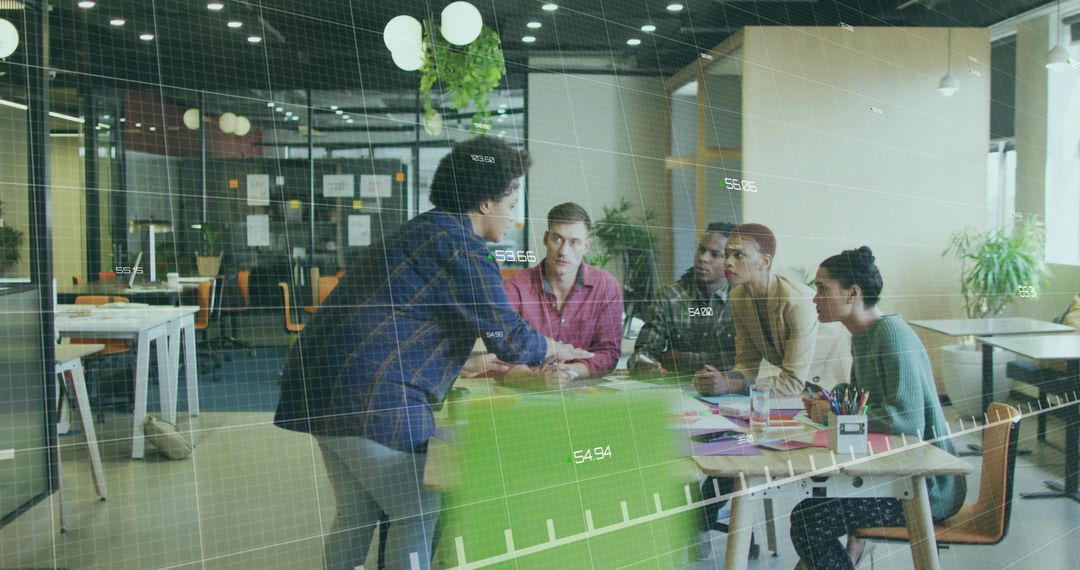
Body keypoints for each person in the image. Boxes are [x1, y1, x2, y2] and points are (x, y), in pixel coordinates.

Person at [273, 136, 594, 570]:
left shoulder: (425, 230)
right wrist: (562, 348)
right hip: (373, 398)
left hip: (323, 387)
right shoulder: (461, 246)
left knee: (358, 513)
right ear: (484, 203)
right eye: (512, 201)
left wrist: (466, 361)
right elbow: (509, 336)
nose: (514, 214)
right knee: (419, 510)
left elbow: (399, 322)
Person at [792, 246, 966, 570]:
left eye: (821, 288)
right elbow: (865, 400)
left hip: (927, 488)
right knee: (808, 515)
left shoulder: (891, 334)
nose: (813, 297)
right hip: (898, 474)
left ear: (853, 293)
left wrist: (833, 416)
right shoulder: (864, 336)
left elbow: (904, 419)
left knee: (809, 520)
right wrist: (832, 402)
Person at [692, 223, 850, 398]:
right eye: (727, 254)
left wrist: (730, 385)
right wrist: (717, 378)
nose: (728, 262)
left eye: (739, 255)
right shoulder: (738, 297)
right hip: (803, 388)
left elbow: (792, 383)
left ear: (764, 262)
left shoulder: (795, 302)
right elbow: (747, 365)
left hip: (837, 381)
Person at [495, 202, 623, 387]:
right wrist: (537, 379)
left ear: (586, 246)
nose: (563, 251)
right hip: (525, 394)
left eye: (574, 242)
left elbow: (609, 353)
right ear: (546, 239)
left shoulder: (606, 286)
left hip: (585, 395)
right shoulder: (514, 288)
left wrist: (568, 373)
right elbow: (502, 356)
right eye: (557, 239)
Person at [629, 222, 738, 381]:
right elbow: (643, 353)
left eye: (715, 254)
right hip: (676, 388)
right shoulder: (669, 297)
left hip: (727, 392)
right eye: (701, 250)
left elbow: (744, 361)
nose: (703, 258)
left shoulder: (743, 300)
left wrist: (681, 359)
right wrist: (643, 365)